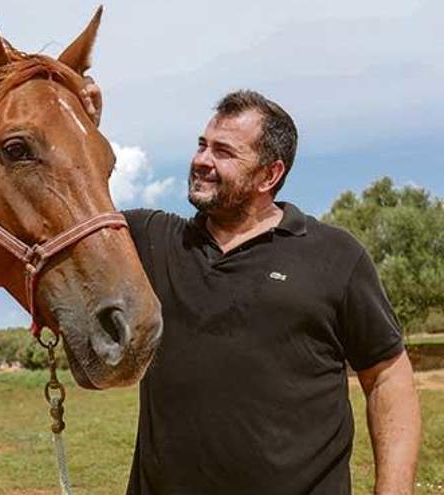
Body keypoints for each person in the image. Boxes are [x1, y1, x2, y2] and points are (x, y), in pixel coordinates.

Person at [80, 82, 422, 494]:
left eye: (223, 152)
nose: (201, 160)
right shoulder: (152, 240)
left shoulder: (334, 256)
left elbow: (388, 377)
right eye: (202, 145)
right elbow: (70, 208)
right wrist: (82, 126)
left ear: (269, 174)